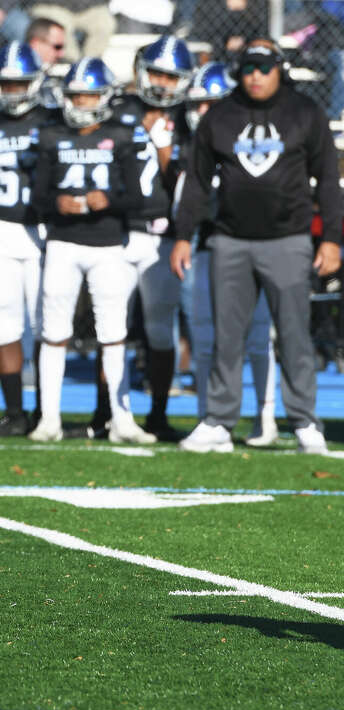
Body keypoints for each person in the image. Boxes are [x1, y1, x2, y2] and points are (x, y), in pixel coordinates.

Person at [172, 39, 341, 454]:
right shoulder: (220, 116)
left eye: (264, 68)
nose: (256, 76)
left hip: (288, 240)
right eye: (249, 68)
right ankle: (218, 420)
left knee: (294, 334)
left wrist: (332, 239)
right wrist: (182, 235)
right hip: (230, 240)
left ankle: (304, 421)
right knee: (227, 337)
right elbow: (196, 181)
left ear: (279, 70)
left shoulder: (305, 112)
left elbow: (327, 180)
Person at [27, 58, 154, 444]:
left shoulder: (121, 135)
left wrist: (108, 200)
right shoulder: (51, 135)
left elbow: (137, 198)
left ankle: (122, 418)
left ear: (105, 96)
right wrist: (56, 204)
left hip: (108, 245)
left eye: (89, 95)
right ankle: (49, 419)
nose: (81, 102)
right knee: (54, 332)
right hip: (63, 243)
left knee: (113, 333)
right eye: (75, 94)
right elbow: (37, 197)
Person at [179, 61, 278, 445]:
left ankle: (266, 417)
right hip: (207, 246)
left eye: (209, 104)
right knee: (205, 336)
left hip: (253, 244)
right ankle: (210, 417)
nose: (202, 112)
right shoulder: (190, 143)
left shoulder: (253, 138)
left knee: (258, 336)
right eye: (197, 104)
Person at [111, 34, 195, 442]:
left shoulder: (190, 118)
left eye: (171, 76)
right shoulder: (119, 109)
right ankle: (106, 412)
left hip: (163, 235)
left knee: (161, 328)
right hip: (118, 232)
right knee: (112, 329)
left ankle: (158, 413)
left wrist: (164, 151)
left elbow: (189, 185)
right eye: (157, 73)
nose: (162, 83)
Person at [0, 42, 55, 437]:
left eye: (19, 83)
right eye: (5, 83)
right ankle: (14, 412)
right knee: (3, 323)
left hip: (43, 231)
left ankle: (46, 411)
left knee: (45, 324)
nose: (11, 91)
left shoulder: (54, 121)